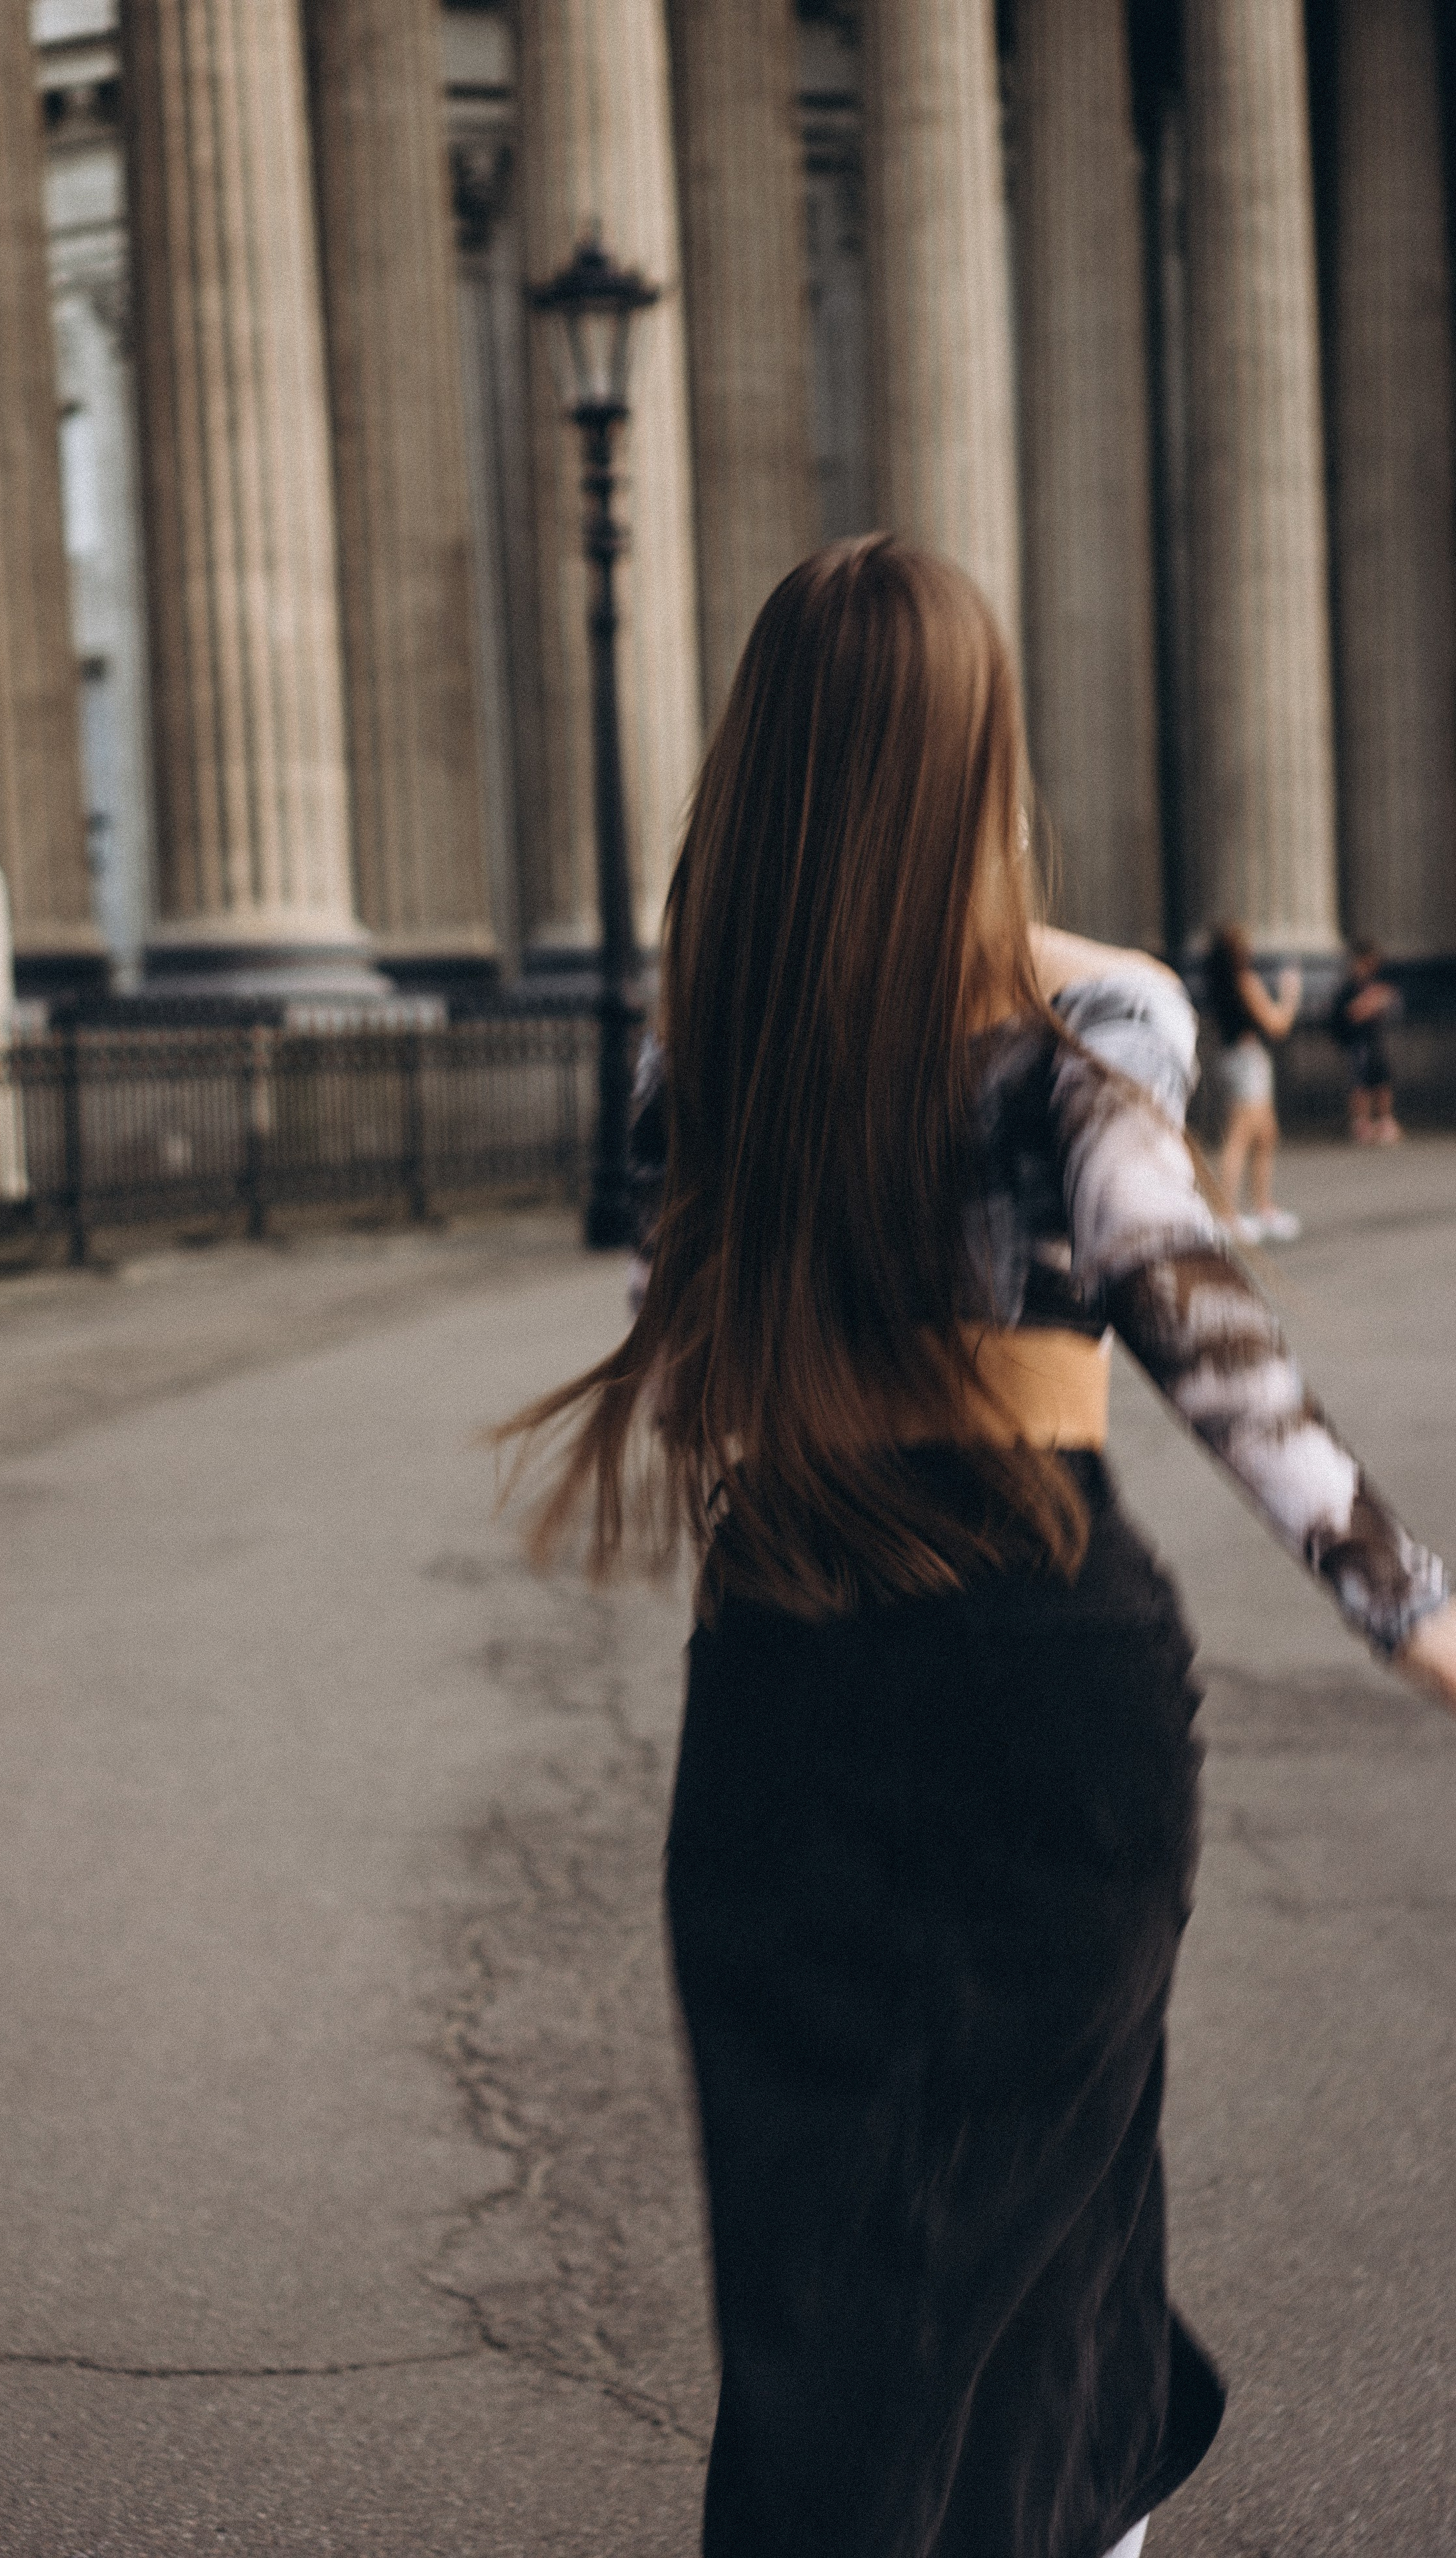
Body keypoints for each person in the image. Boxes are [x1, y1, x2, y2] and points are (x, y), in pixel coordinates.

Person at [498, 539, 1455, 2558]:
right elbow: (1203, 1330)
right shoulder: (1096, 1013)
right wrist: (1410, 1609)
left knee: (841, 2249)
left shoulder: (695, 1058)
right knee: (1033, 2202)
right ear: (979, 753)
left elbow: (694, 1364)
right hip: (1040, 1663)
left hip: (784, 1662)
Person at [1207, 921, 1301, 1242]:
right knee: (1240, 1136)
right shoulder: (1245, 981)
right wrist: (1290, 993)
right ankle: (1226, 1216)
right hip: (1248, 1061)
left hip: (1235, 1058)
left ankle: (1263, 1208)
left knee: (1266, 1134)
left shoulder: (1221, 983)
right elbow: (1277, 1025)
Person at [1331, 939, 1403, 1144]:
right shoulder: (1349, 988)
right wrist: (1371, 1004)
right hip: (1357, 1042)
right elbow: (1352, 1013)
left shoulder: (1376, 982)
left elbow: (1390, 1002)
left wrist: (1378, 1002)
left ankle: (1384, 1121)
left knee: (1382, 1079)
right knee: (1360, 1082)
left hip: (1374, 1039)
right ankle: (1361, 1123)